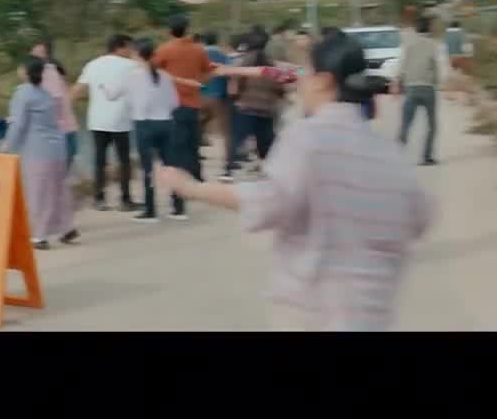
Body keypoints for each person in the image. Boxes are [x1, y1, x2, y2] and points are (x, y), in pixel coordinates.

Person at [157, 31, 432, 331]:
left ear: (323, 80)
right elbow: (419, 217)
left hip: (314, 312)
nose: (300, 82)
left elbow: (268, 202)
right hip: (373, 316)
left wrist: (192, 188)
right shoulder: (389, 152)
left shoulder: (307, 138)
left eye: (305, 73)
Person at [1, 58, 77, 249]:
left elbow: (19, 124)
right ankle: (67, 228)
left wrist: (8, 144)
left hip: (38, 151)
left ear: (25, 72)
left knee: (38, 193)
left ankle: (39, 236)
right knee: (59, 190)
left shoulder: (23, 94)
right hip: (57, 149)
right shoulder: (46, 93)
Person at [103, 37, 180, 223]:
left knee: (148, 168)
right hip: (167, 124)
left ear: (137, 54)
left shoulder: (131, 76)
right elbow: (175, 103)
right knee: (170, 166)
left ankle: (151, 210)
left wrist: (102, 86)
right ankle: (178, 208)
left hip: (145, 125)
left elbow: (111, 95)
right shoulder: (165, 75)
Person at [72, 34, 141, 212]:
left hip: (97, 120)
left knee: (99, 160)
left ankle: (99, 199)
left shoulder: (93, 64)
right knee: (124, 160)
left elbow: (77, 90)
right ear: (120, 47)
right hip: (121, 120)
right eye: (129, 47)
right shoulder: (131, 65)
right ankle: (125, 200)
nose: (131, 50)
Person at [153, 15, 213, 219]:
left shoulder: (164, 50)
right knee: (192, 147)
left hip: (172, 106)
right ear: (187, 29)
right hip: (193, 104)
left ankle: (178, 201)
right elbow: (207, 73)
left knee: (175, 152)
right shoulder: (199, 49)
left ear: (170, 30)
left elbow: (152, 71)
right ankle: (199, 185)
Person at [221, 31, 285, 182]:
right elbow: (280, 88)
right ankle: (269, 172)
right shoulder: (272, 64)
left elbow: (235, 86)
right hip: (266, 109)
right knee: (266, 142)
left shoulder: (244, 62)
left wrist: (235, 97)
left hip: (246, 107)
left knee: (237, 139)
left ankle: (228, 172)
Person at [396, 14, 445, 166]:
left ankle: (396, 156)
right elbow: (436, 66)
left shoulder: (408, 44)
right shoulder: (433, 44)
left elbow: (401, 64)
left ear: (416, 29)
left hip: (411, 88)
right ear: (429, 28)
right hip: (428, 88)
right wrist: (437, 83)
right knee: (432, 125)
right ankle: (426, 157)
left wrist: (397, 81)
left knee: (406, 124)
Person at [30, 40, 80, 174]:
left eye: (39, 52)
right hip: (58, 127)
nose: (35, 56)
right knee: (64, 157)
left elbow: (62, 96)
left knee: (68, 154)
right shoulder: (44, 72)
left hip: (64, 125)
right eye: (34, 53)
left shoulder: (52, 70)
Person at [199, 31, 231, 163]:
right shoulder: (223, 55)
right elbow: (229, 72)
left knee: (198, 125)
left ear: (203, 41)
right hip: (219, 96)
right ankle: (229, 158)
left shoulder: (198, 54)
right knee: (225, 129)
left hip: (200, 96)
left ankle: (195, 153)